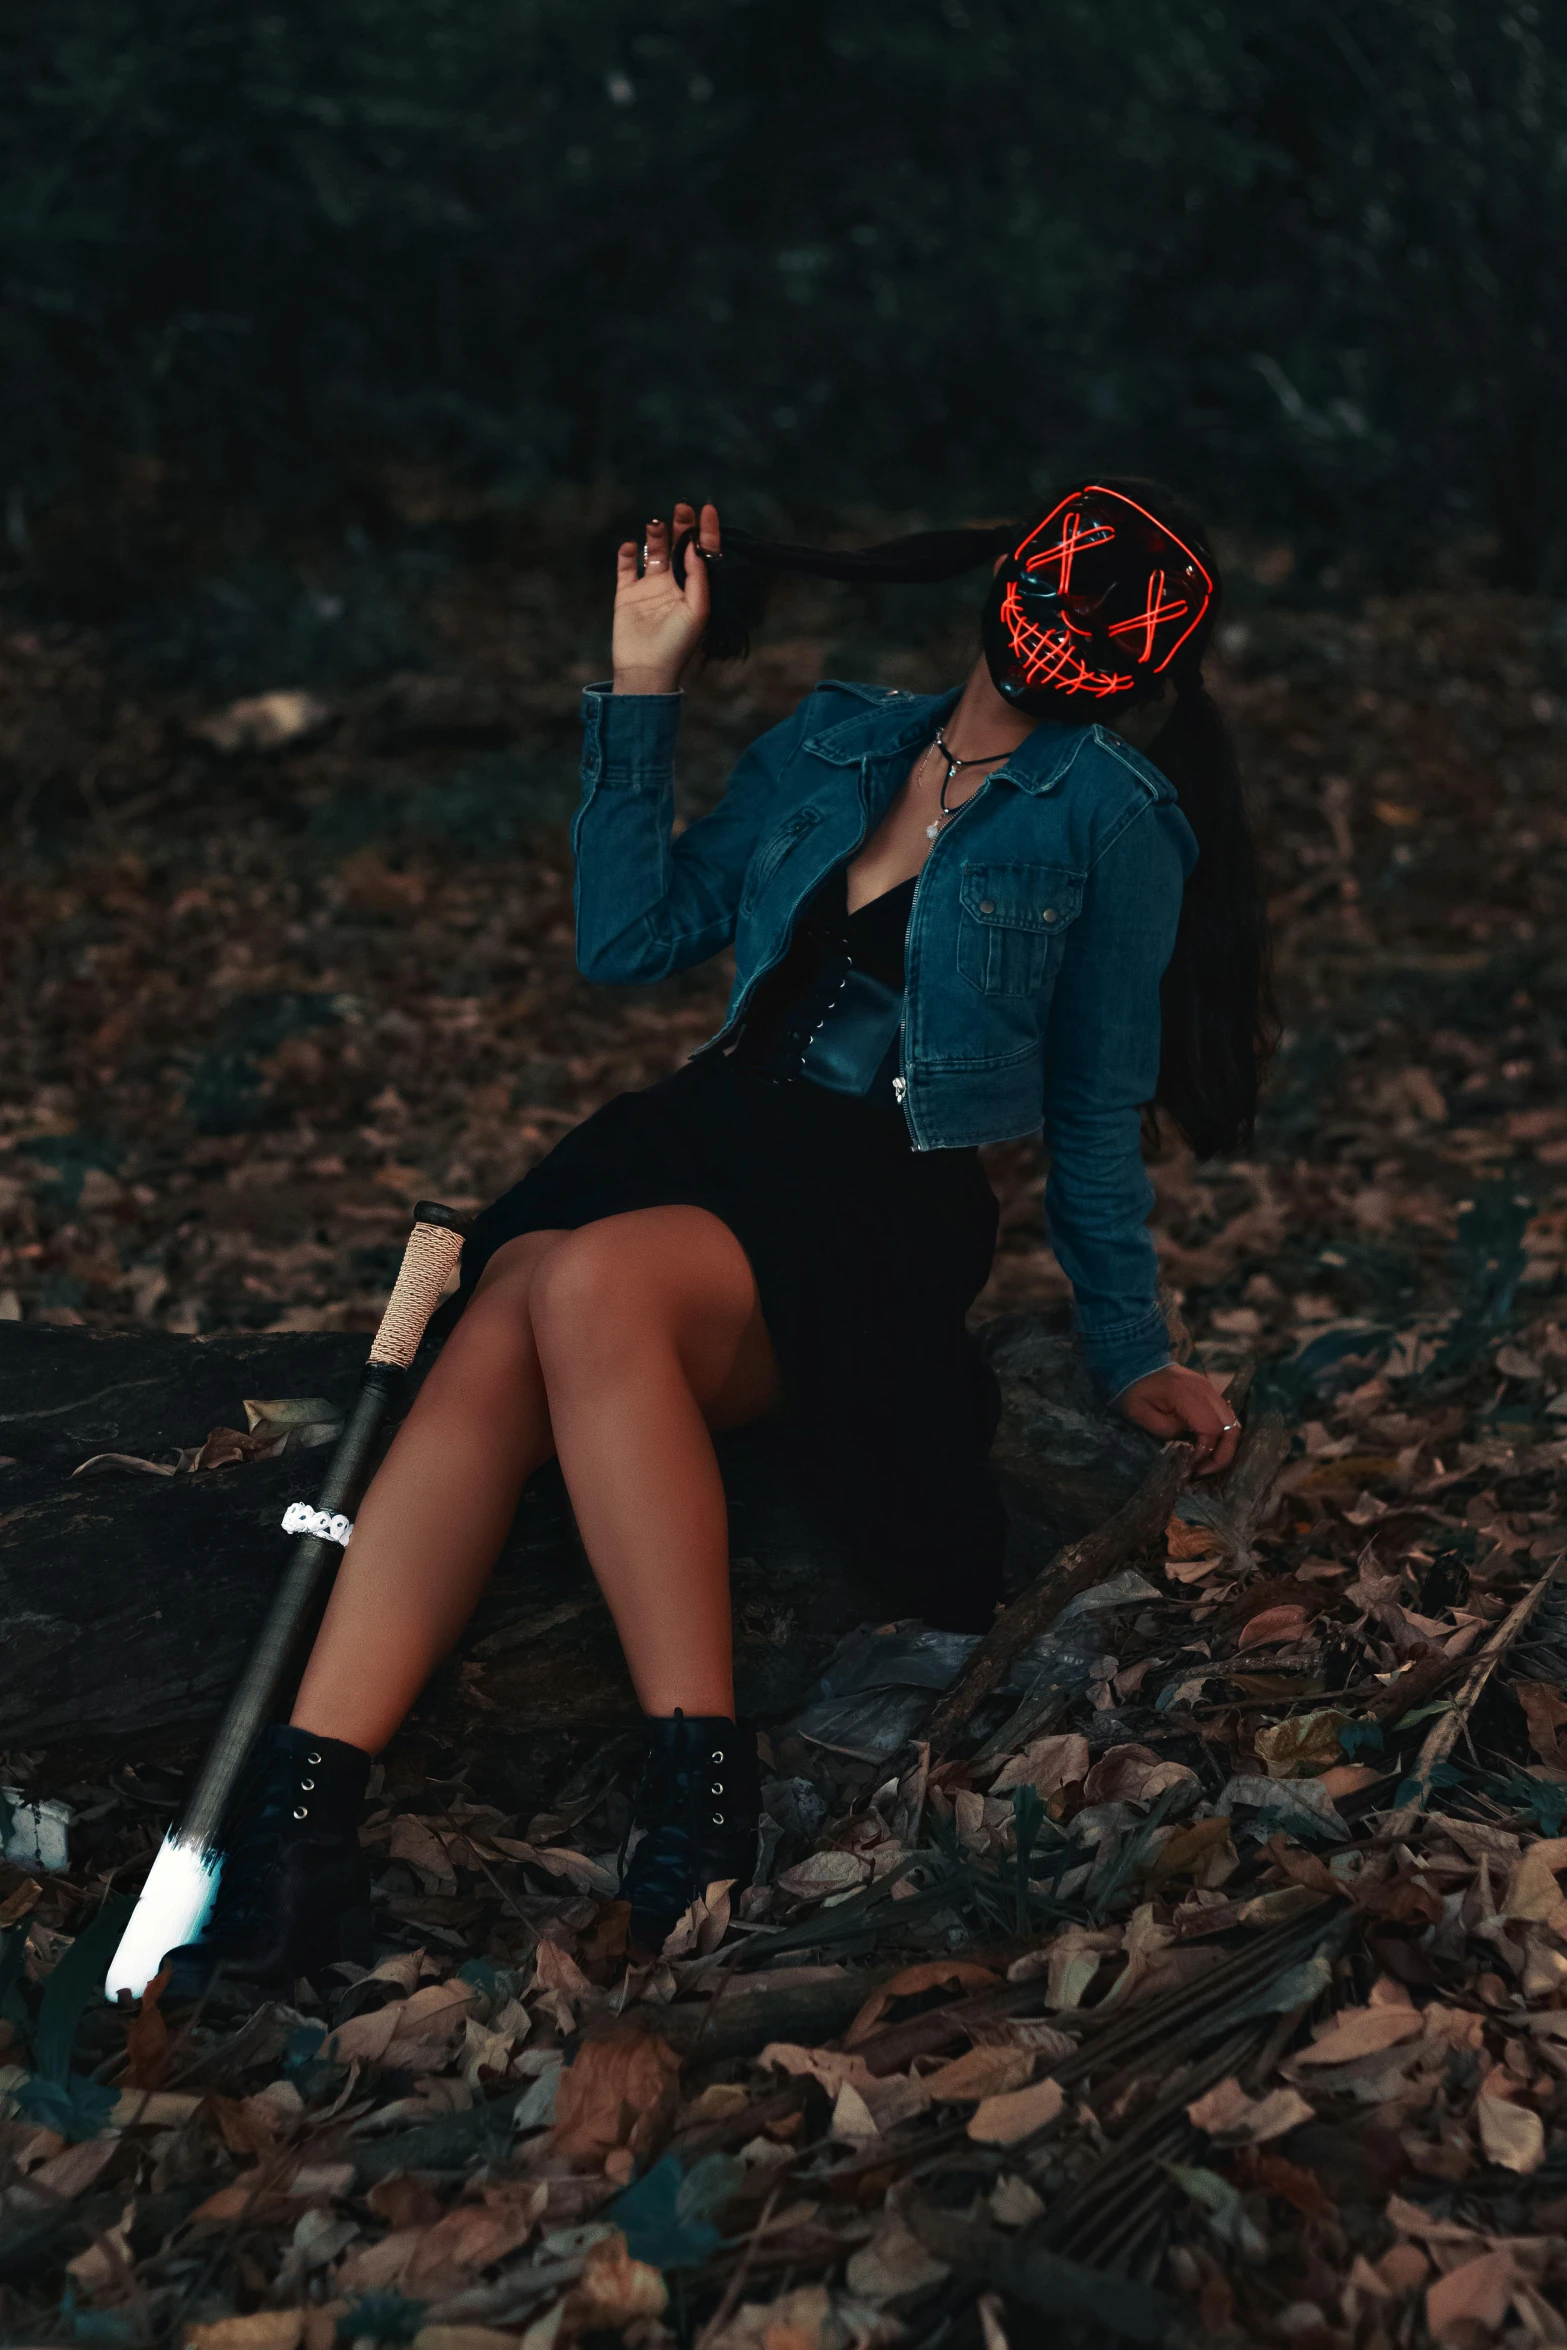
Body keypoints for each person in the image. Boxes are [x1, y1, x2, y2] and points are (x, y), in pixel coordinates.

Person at [162, 478, 1273, 1989]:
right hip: (705, 1136)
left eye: (1113, 637)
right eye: (1063, 595)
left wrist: (1130, 1347)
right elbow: (626, 938)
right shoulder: (828, 735)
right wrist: (643, 683)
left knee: (591, 1275)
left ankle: (698, 1798)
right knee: (516, 1294)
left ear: (1144, 676)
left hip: (875, 1200)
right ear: (1004, 577)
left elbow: (1091, 1110)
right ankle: (299, 1837)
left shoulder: (1113, 820)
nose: (1068, 639)